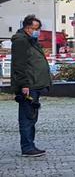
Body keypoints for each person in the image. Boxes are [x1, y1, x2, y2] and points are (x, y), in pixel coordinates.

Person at [11, 15, 51, 157]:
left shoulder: (30, 40)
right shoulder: (21, 41)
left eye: (38, 28)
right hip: (29, 85)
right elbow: (19, 65)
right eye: (35, 28)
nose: (38, 31)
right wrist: (24, 85)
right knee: (27, 117)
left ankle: (30, 145)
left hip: (34, 84)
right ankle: (27, 147)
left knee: (31, 116)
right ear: (27, 27)